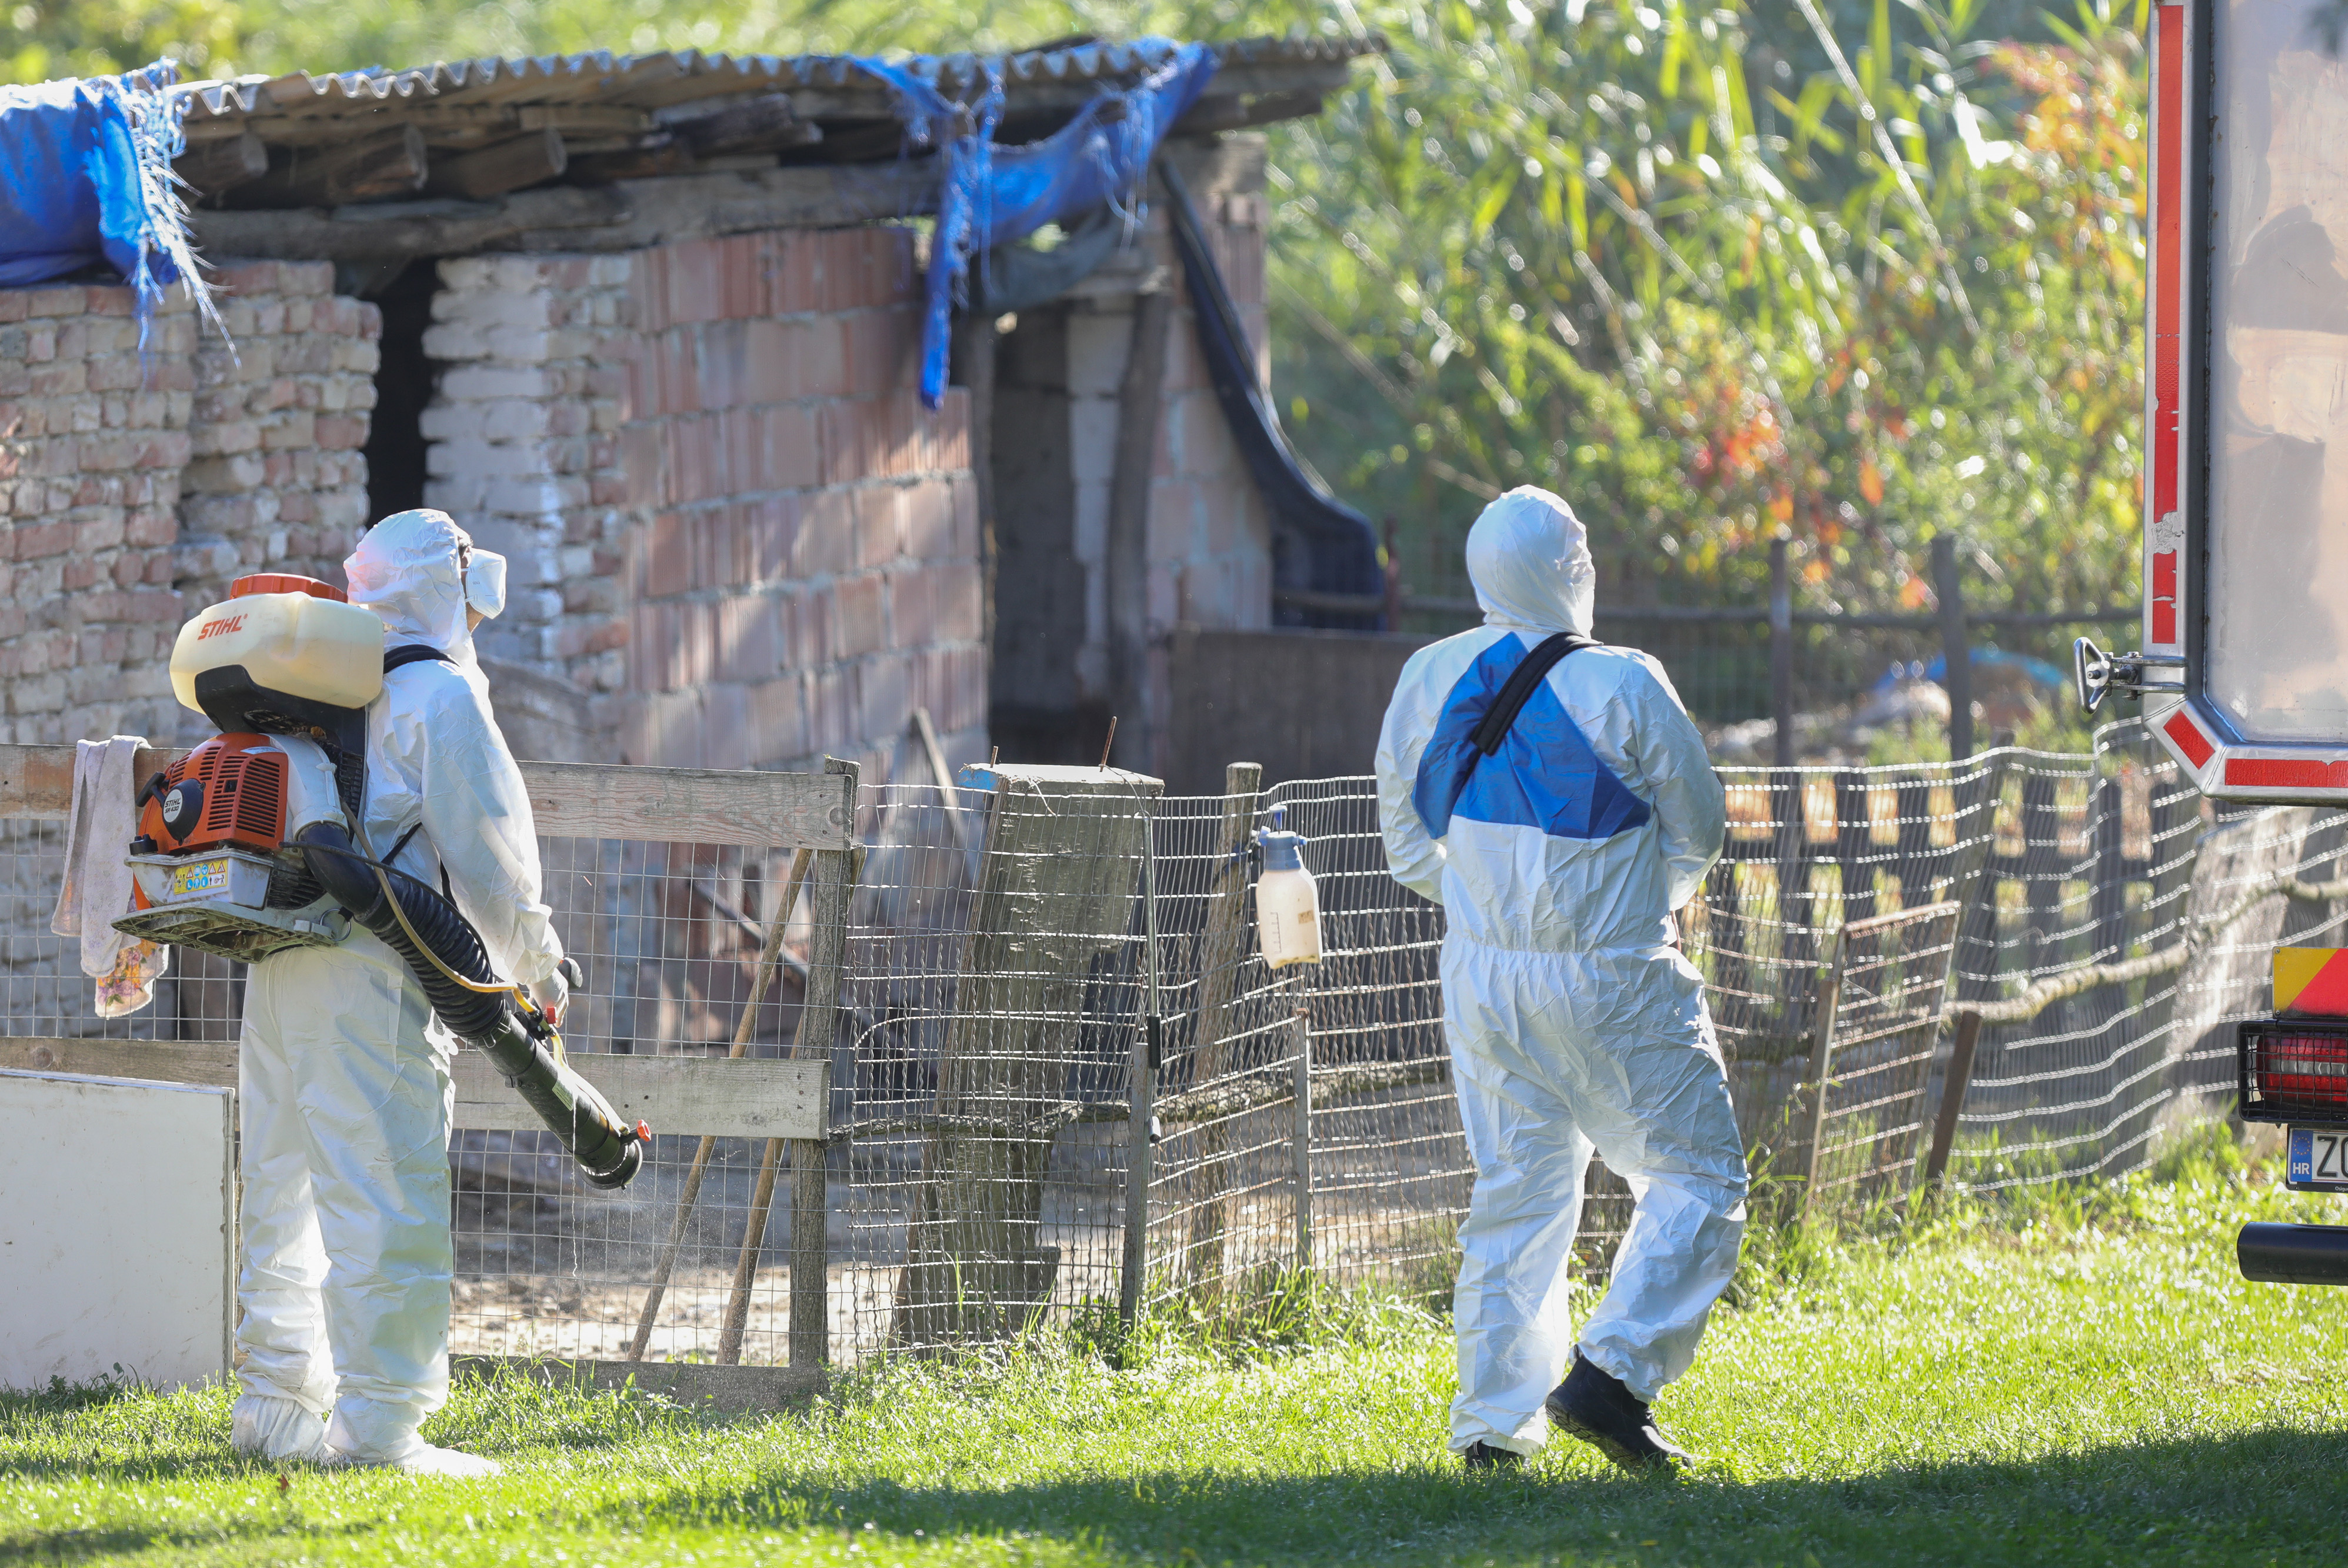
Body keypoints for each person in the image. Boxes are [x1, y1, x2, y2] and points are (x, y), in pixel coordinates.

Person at [1374, 486, 1745, 1474]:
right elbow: (1699, 827)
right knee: (1702, 1179)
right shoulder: (1623, 682)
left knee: (1517, 1194)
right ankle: (1612, 1377)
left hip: (1482, 977)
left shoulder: (1429, 674)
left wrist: (1491, 901)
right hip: (1613, 969)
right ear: (1571, 569)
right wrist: (1628, 898)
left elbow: (1409, 841)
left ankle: (1493, 1429)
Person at [230, 509, 571, 1475]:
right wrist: (539, 967)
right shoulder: (435, 697)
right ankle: (381, 1430)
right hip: (374, 968)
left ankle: (275, 1406)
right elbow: (494, 857)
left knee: (284, 1189)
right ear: (448, 586)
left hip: (282, 958)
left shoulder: (315, 688)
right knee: (386, 1190)